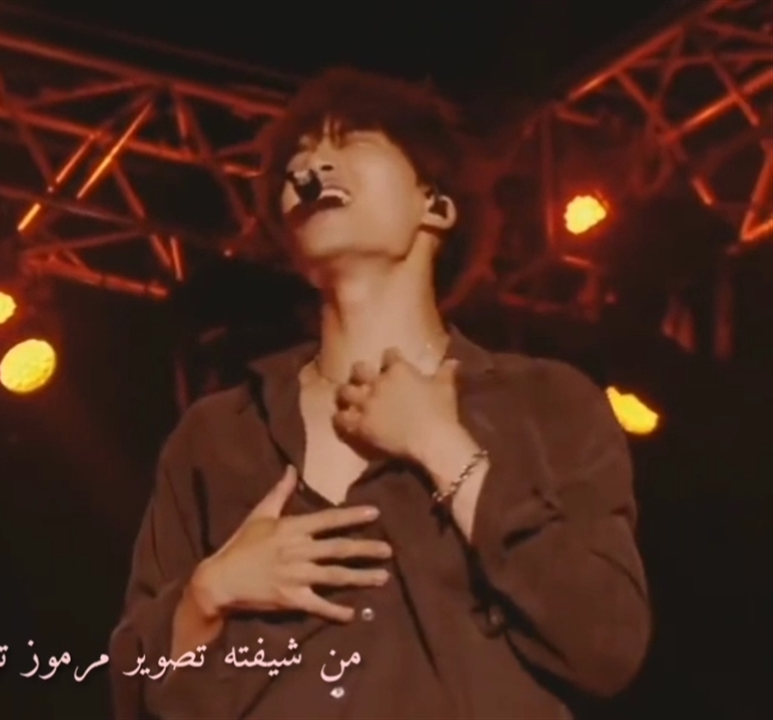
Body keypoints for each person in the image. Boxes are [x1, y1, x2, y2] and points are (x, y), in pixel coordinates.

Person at [108, 67, 651, 720]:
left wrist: (444, 449)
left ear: (435, 205)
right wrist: (209, 593)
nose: (312, 164)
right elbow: (136, 686)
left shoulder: (544, 404)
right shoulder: (219, 434)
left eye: (352, 140)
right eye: (300, 154)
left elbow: (606, 644)